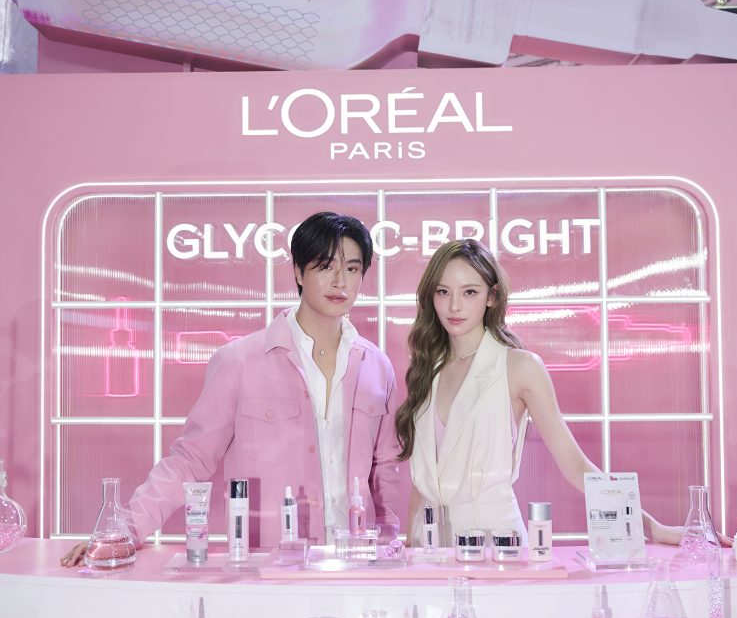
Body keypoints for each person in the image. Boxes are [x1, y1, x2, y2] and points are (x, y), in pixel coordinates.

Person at [62, 212, 400, 564]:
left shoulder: (377, 367)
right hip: (267, 567)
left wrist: (389, 548)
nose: (340, 281)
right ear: (299, 272)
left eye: (352, 269)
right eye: (326, 266)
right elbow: (191, 459)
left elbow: (385, 469)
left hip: (357, 563)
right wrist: (125, 530)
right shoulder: (240, 361)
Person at [395, 238, 680, 546]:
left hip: (493, 544)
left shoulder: (519, 367)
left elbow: (575, 465)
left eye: (470, 292)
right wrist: (410, 547)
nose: (454, 306)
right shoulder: (427, 369)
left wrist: (651, 527)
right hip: (428, 547)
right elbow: (424, 483)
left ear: (492, 296)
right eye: (443, 291)